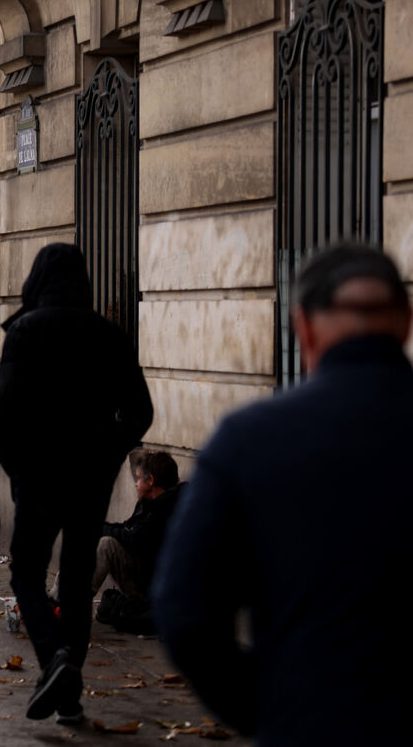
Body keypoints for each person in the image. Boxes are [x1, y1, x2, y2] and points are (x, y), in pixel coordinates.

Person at [153, 242, 412, 746]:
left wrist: (270, 708)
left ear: (305, 328)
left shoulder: (250, 440)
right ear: (404, 324)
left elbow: (184, 612)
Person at [0, 242, 153, 725]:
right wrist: (108, 453)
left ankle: (53, 660)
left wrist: (18, 469)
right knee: (77, 579)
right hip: (90, 477)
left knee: (27, 572)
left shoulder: (24, 331)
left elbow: (5, 414)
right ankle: (69, 691)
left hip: (38, 475)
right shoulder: (110, 334)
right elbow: (140, 412)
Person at [88, 450, 182, 632]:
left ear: (151, 480)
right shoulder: (148, 503)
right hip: (142, 575)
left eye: (139, 479)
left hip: (151, 590)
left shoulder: (167, 509)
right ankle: (57, 601)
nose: (136, 485)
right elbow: (127, 529)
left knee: (106, 545)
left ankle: (66, 604)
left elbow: (134, 539)